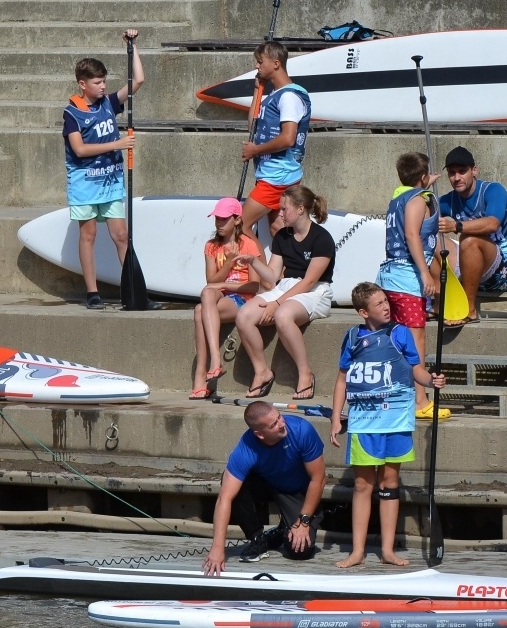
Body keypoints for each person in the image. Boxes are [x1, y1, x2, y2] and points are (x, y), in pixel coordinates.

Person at [330, 284, 446, 568]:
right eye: (379, 304)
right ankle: (357, 551)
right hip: (363, 422)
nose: (386, 306)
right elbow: (342, 379)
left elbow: (415, 369)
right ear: (363, 312)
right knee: (361, 485)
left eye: (386, 301)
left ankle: (388, 550)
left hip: (395, 420)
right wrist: (336, 417)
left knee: (389, 483)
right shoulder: (352, 337)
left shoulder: (400, 333)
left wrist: (431, 380)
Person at [64, 29, 144, 309]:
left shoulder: (108, 103)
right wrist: (118, 144)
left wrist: (133, 46)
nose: (102, 86)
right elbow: (80, 150)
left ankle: (132, 290)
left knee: (121, 236)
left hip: (110, 183)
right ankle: (92, 292)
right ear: (82, 84)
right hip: (85, 184)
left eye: (104, 81)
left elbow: (138, 81)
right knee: (89, 235)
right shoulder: (71, 114)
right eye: (97, 82)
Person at [235, 185, 335, 400]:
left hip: (315, 291)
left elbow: (309, 281)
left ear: (300, 209)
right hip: (285, 286)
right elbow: (272, 275)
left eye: (284, 209)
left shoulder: (322, 238)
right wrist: (253, 261)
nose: (279, 214)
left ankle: (305, 374)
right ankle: (262, 371)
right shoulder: (282, 236)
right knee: (243, 315)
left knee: (283, 315)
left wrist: (277, 303)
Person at [203, 401, 326, 574]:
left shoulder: (301, 429)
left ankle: (286, 528)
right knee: (231, 483)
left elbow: (318, 479)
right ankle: (257, 538)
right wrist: (217, 548)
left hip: (298, 491)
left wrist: (303, 521)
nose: (282, 424)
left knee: (300, 551)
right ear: (260, 434)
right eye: (274, 424)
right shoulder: (245, 448)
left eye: (279, 417)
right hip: (268, 484)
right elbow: (225, 498)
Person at [375, 151, 444, 416]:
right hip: (406, 279)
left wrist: (426, 182)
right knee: (416, 340)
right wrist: (426, 273)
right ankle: (421, 400)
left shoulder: (399, 196)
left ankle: (400, 392)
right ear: (424, 177)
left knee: (398, 338)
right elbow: (413, 235)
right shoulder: (418, 201)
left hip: (390, 276)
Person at [437, 146, 507, 327]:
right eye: (452, 173)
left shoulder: (493, 191)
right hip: (472, 268)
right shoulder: (449, 200)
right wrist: (422, 188)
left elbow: (492, 223)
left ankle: (469, 308)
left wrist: (456, 226)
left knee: (468, 239)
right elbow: (418, 212)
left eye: (462, 171)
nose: (457, 177)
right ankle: (438, 302)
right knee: (428, 239)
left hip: (505, 271)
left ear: (474, 170)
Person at [239, 40, 311, 240]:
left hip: (277, 177)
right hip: (274, 174)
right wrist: (257, 90)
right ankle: (288, 270)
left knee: (240, 227)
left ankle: (260, 272)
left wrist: (255, 151)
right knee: (277, 229)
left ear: (276, 64)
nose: (256, 66)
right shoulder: (275, 95)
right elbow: (252, 127)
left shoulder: (289, 97)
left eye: (260, 61)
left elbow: (288, 138)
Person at [191, 197, 262, 399]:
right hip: (220, 298)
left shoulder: (247, 245)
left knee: (199, 311)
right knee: (204, 298)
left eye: (224, 219)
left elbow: (254, 285)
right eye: (217, 219)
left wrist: (224, 285)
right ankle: (213, 362)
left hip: (242, 299)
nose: (219, 224)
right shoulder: (212, 246)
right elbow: (211, 280)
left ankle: (202, 374)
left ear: (237, 220)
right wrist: (229, 263)